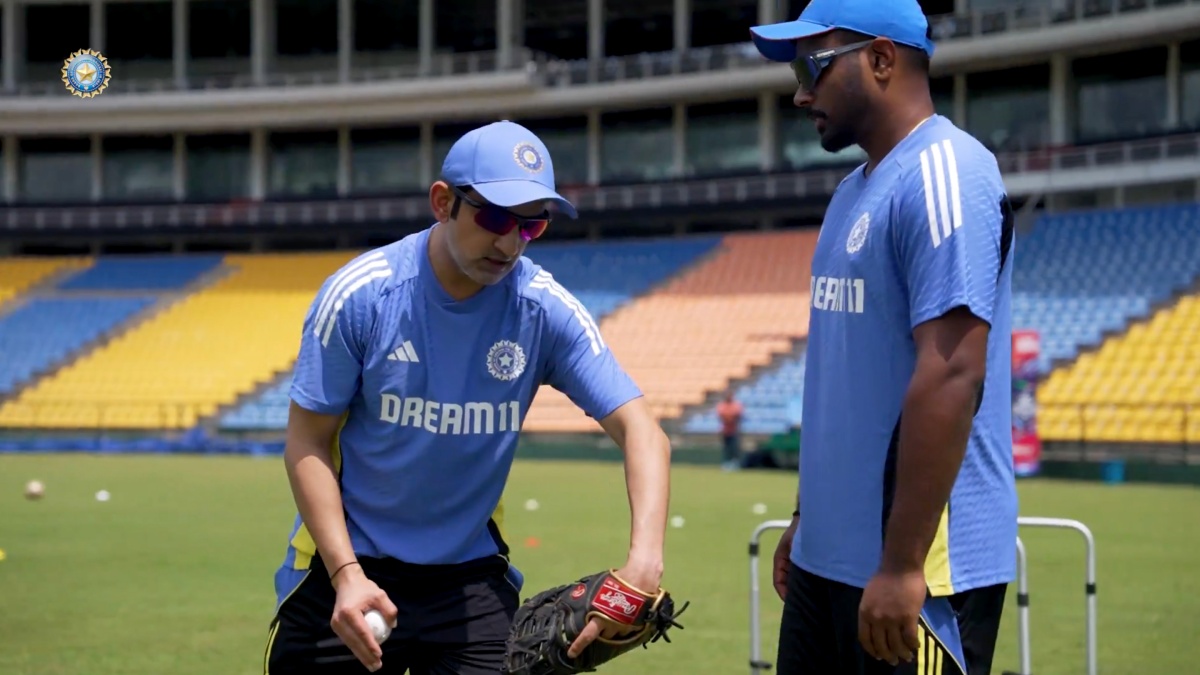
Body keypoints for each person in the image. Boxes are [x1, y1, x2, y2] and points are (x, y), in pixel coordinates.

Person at [262, 120, 673, 675]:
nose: (509, 243)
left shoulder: (544, 311)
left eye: (531, 226)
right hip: (343, 570)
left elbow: (642, 430)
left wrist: (643, 565)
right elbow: (306, 443)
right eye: (496, 217)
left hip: (468, 579)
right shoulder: (361, 296)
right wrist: (346, 574)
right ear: (442, 202)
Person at [749, 0, 1018, 673]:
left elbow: (952, 372)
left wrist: (901, 564)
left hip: (919, 575)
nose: (800, 90)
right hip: (826, 564)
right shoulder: (850, 193)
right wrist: (808, 517)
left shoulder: (948, 172)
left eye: (812, 63)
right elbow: (848, 378)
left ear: (880, 59)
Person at [716, 390, 744, 470]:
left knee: (734, 447)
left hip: (734, 430)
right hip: (725, 430)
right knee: (726, 448)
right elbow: (721, 415)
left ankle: (735, 463)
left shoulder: (736, 405)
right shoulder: (722, 405)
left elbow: (737, 415)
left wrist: (730, 418)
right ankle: (726, 463)